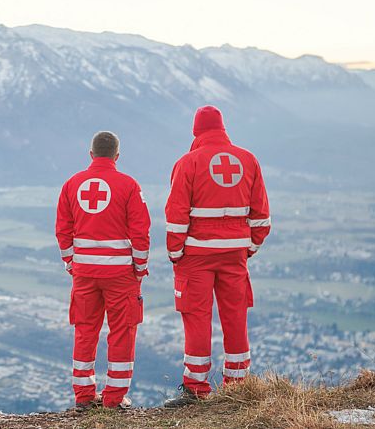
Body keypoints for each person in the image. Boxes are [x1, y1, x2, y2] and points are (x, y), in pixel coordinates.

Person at [163, 105, 270, 407]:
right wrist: (247, 248)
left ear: (196, 131)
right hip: (234, 254)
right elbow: (261, 216)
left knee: (197, 317)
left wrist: (176, 252)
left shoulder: (188, 162)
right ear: (223, 128)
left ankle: (196, 388)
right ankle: (237, 384)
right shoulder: (249, 160)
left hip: (195, 255)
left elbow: (176, 214)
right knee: (235, 316)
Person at [55, 131, 151, 410]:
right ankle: (114, 398)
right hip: (121, 274)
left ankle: (84, 396)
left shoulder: (71, 184)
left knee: (85, 330)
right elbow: (140, 232)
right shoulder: (129, 185)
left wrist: (72, 262)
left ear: (91, 154)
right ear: (116, 156)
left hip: (84, 273)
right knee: (122, 331)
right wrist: (140, 268)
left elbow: (63, 229)